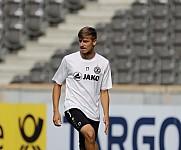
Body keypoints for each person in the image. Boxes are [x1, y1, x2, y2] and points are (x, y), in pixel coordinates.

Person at [52, 26, 112, 150]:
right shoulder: (69, 60)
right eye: (80, 41)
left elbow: (104, 91)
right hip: (73, 107)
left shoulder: (103, 63)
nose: (82, 44)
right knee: (90, 134)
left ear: (94, 42)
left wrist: (106, 114)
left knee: (87, 143)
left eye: (86, 41)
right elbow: (57, 84)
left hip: (93, 112)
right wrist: (56, 111)